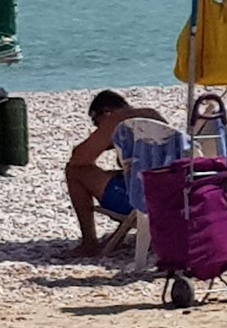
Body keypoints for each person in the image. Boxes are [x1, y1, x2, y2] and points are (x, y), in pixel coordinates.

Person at [64, 90, 165, 256]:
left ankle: (89, 243)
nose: (97, 127)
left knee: (74, 172)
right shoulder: (151, 115)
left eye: (96, 122)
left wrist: (102, 140)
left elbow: (78, 159)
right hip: (173, 199)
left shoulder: (116, 121)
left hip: (140, 202)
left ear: (107, 112)